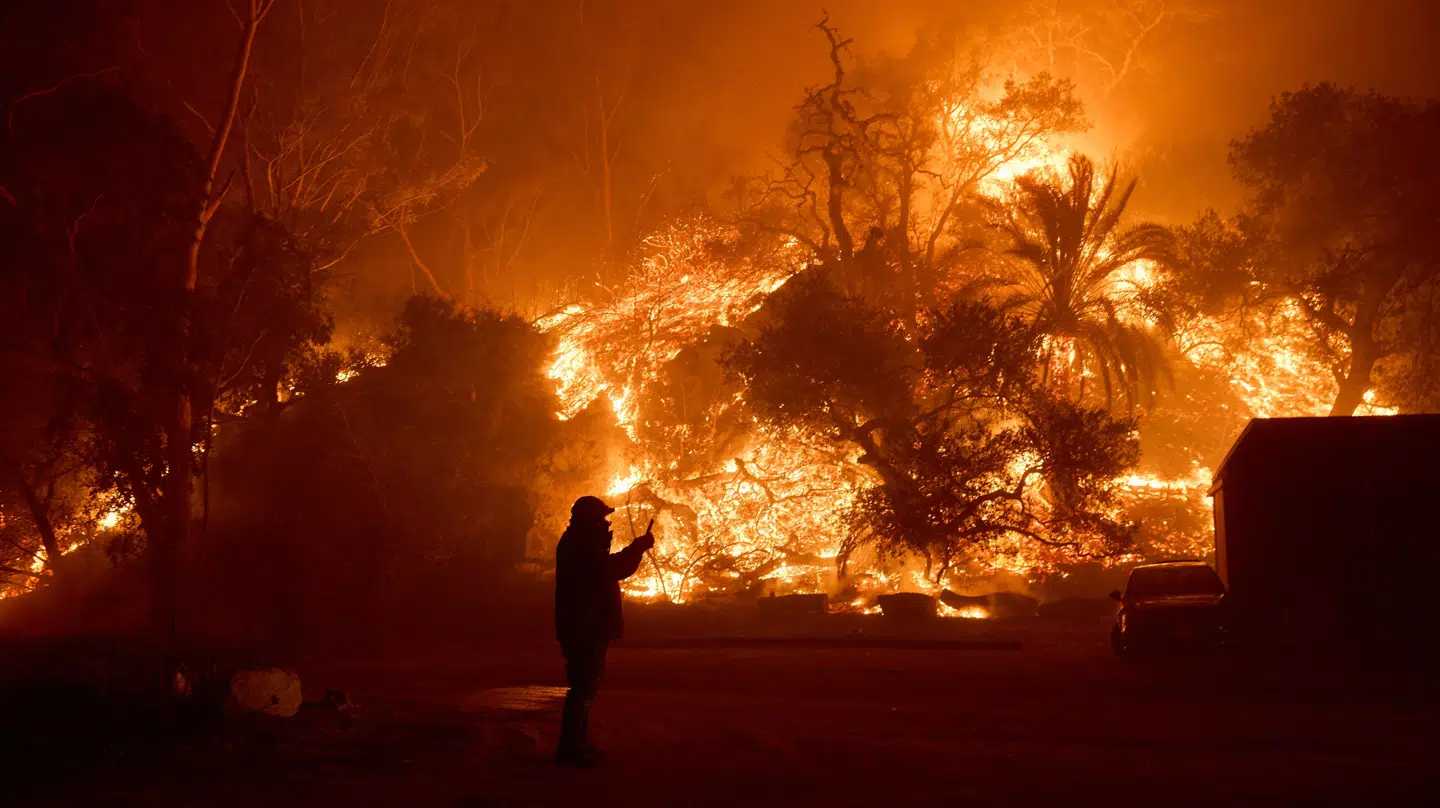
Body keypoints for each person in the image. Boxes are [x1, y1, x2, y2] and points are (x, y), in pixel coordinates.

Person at [553, 495, 655, 766]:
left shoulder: (580, 542)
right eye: (601, 518)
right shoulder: (580, 545)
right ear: (590, 520)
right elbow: (610, 570)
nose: (605, 523)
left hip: (586, 625)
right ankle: (570, 749)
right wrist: (637, 548)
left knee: (586, 686)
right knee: (583, 687)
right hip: (584, 626)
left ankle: (576, 744)